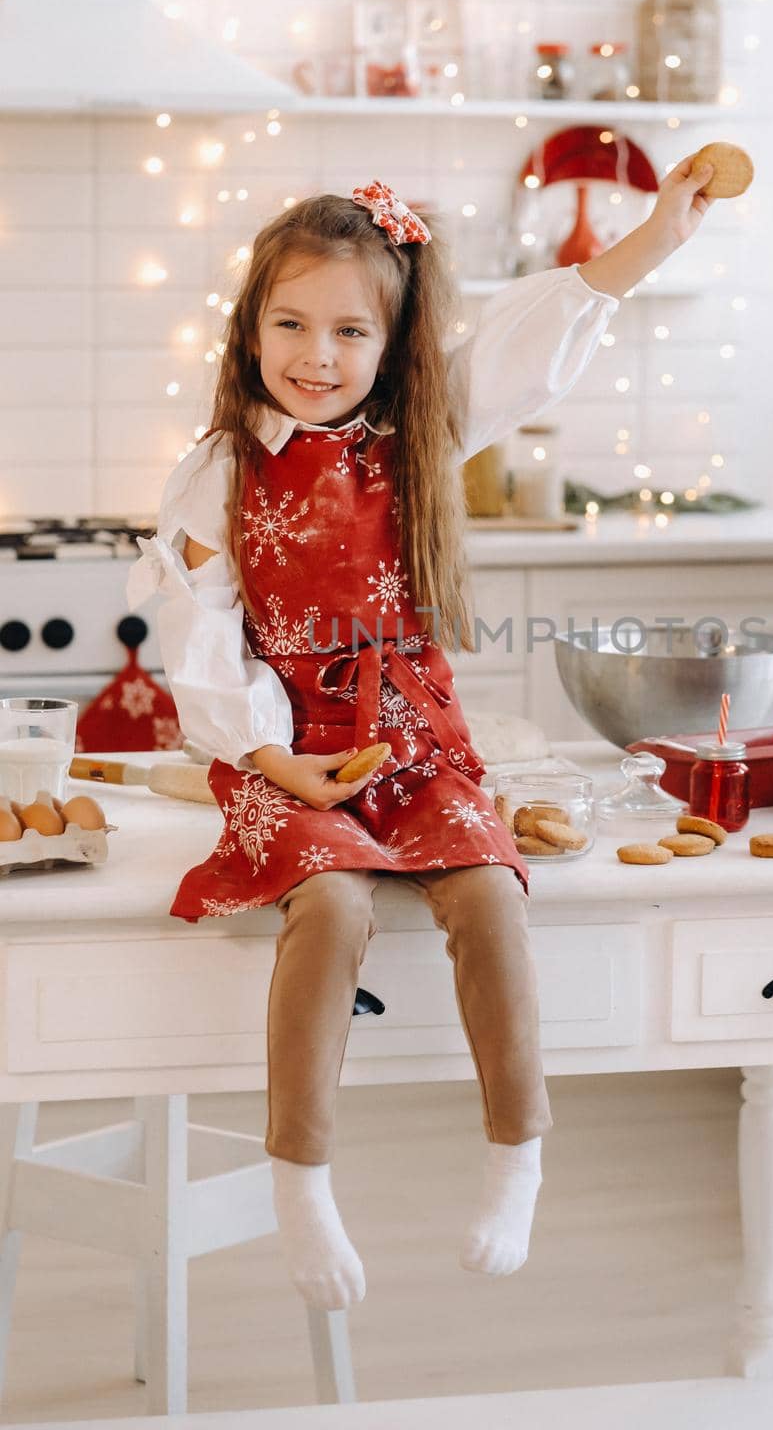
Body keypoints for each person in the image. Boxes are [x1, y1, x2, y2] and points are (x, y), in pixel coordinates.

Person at [126, 155, 716, 1313]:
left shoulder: (420, 437)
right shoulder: (218, 472)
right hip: (282, 742)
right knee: (333, 903)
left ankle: (518, 1153)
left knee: (491, 889)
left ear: (392, 348)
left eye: (350, 331)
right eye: (289, 322)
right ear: (249, 329)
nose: (316, 353)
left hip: (408, 734)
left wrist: (655, 236)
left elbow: (534, 339)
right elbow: (200, 632)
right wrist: (265, 753)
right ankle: (300, 1174)